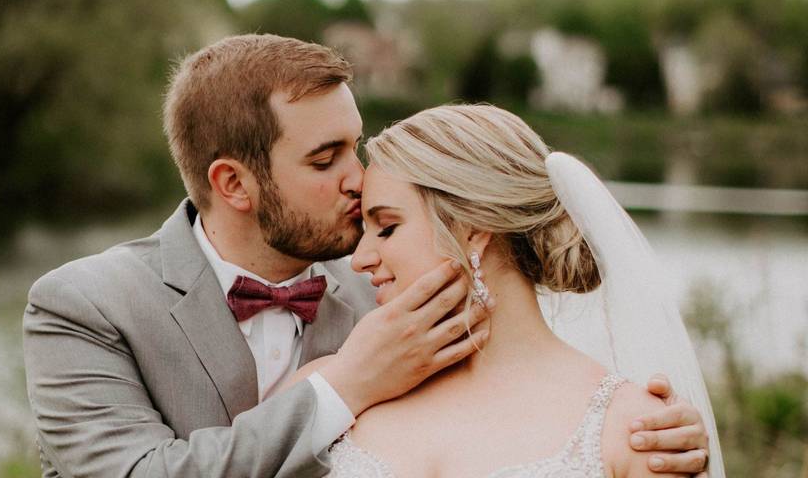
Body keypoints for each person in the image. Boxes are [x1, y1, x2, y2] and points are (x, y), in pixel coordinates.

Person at [23, 35, 713, 478]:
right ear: (233, 183)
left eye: (355, 145)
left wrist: (635, 424)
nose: (358, 176)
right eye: (326, 159)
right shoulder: (84, 307)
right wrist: (347, 382)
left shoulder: (401, 297)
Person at [305, 103, 721, 477]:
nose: (360, 260)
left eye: (388, 228)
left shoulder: (636, 429)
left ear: (472, 231)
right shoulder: (328, 393)